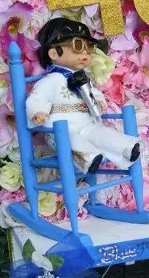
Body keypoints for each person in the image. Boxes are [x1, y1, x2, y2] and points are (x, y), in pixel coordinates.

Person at [26, 18, 141, 174]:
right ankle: (89, 159)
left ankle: (127, 148)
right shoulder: (52, 80)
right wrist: (38, 112)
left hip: (86, 125)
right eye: (78, 46)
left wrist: (99, 102)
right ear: (54, 52)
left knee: (102, 133)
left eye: (89, 47)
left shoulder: (83, 79)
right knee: (73, 140)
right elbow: (37, 98)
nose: (85, 52)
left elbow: (95, 94)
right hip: (60, 132)